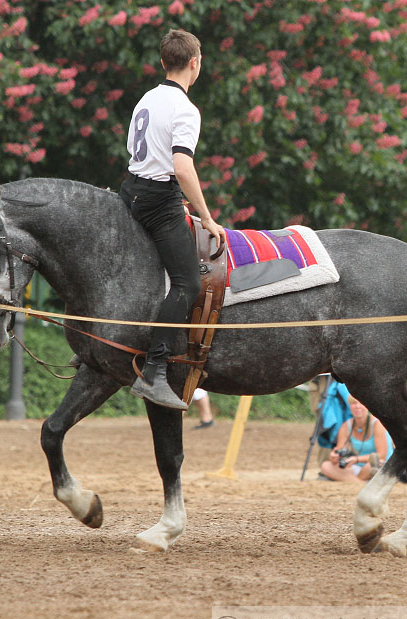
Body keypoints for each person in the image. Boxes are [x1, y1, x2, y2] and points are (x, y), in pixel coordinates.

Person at [119, 29, 227, 410]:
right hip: (159, 199)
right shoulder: (185, 109)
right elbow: (182, 167)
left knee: (137, 271)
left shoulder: (147, 98)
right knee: (188, 283)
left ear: (164, 62)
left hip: (130, 190)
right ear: (195, 63)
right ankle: (155, 371)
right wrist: (207, 217)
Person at [319, 396, 393, 483]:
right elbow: (339, 450)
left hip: (377, 463)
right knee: (326, 465)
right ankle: (360, 482)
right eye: (354, 403)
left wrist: (357, 459)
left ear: (367, 406)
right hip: (356, 465)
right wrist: (334, 457)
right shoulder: (346, 426)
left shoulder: (377, 424)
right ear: (349, 406)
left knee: (371, 466)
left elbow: (381, 455)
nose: (358, 406)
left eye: (361, 403)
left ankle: (352, 481)